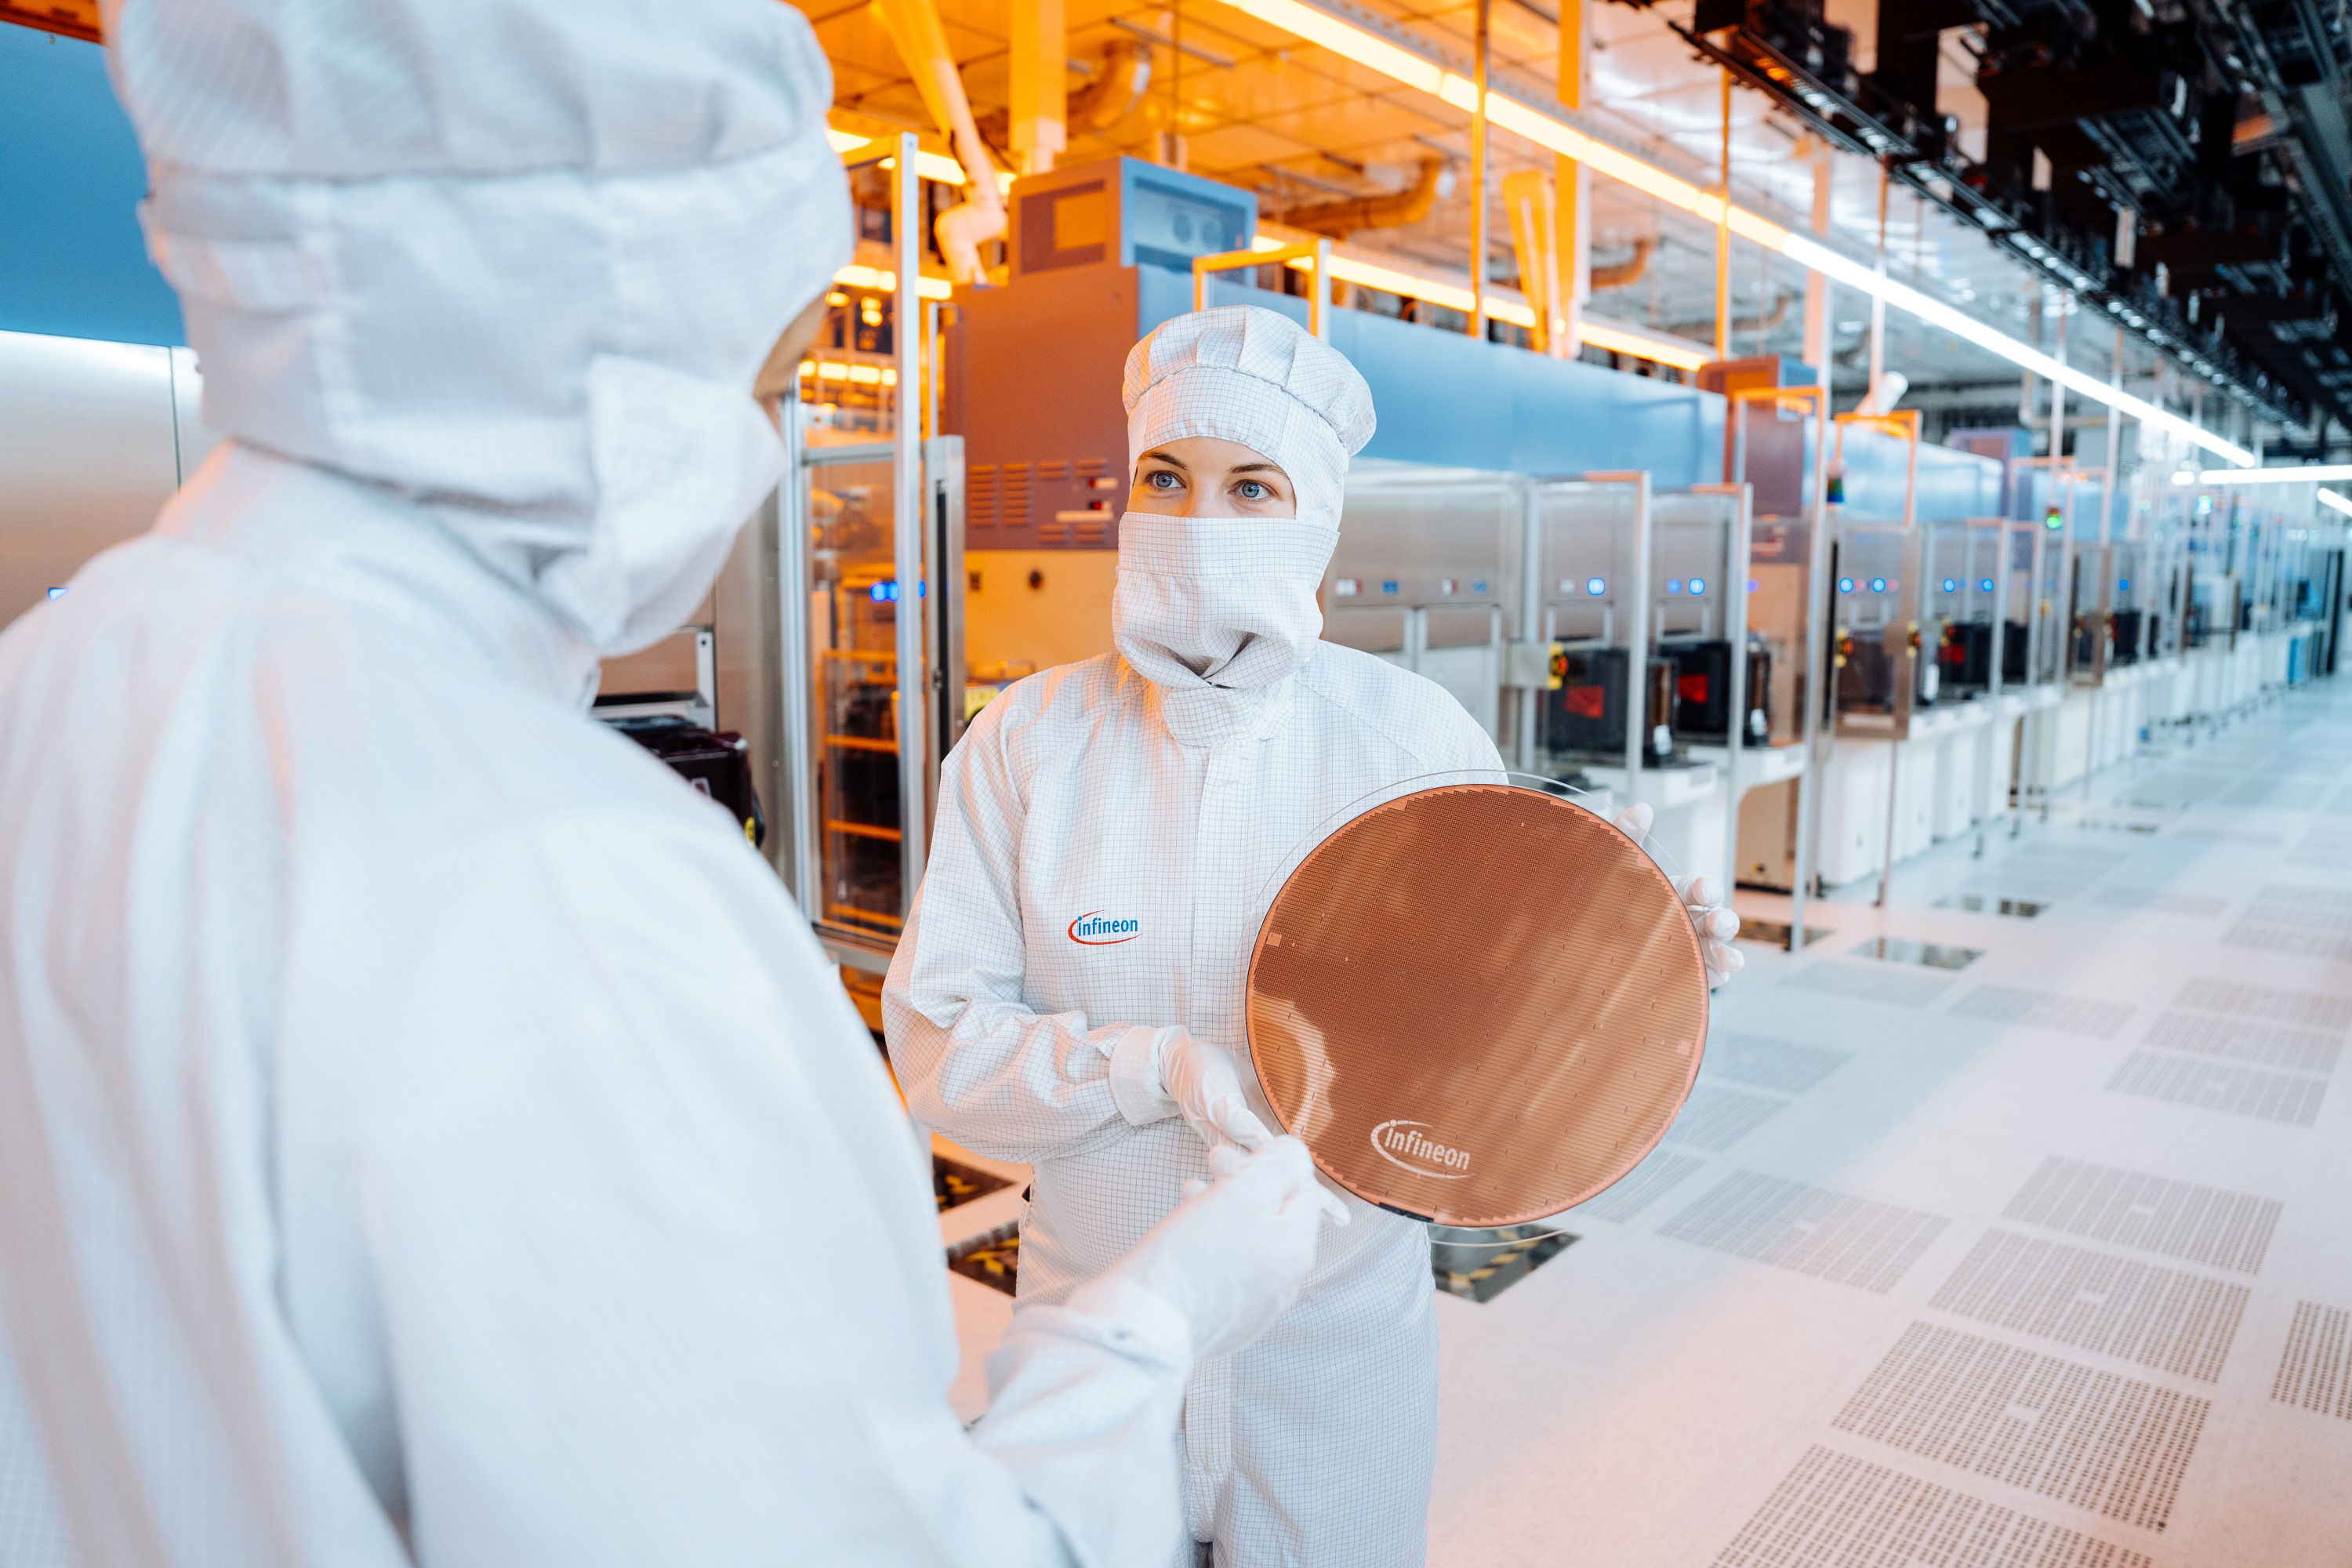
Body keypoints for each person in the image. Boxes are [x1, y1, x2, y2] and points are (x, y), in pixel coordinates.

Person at [0, 3, 1341, 1564]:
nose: (765, 453)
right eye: (766, 385)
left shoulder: (56, 678)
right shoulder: (571, 884)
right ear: (584, 365)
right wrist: (1150, 1324)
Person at [885, 306, 1743, 1567]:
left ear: (1316, 520)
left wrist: (1624, 962)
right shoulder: (1027, 745)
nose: (1199, 518)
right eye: (1165, 478)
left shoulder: (1413, 743)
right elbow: (940, 1054)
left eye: (1253, 486)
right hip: (1104, 1347)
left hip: (1334, 1366)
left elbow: (1492, 1052)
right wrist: (1145, 1066)